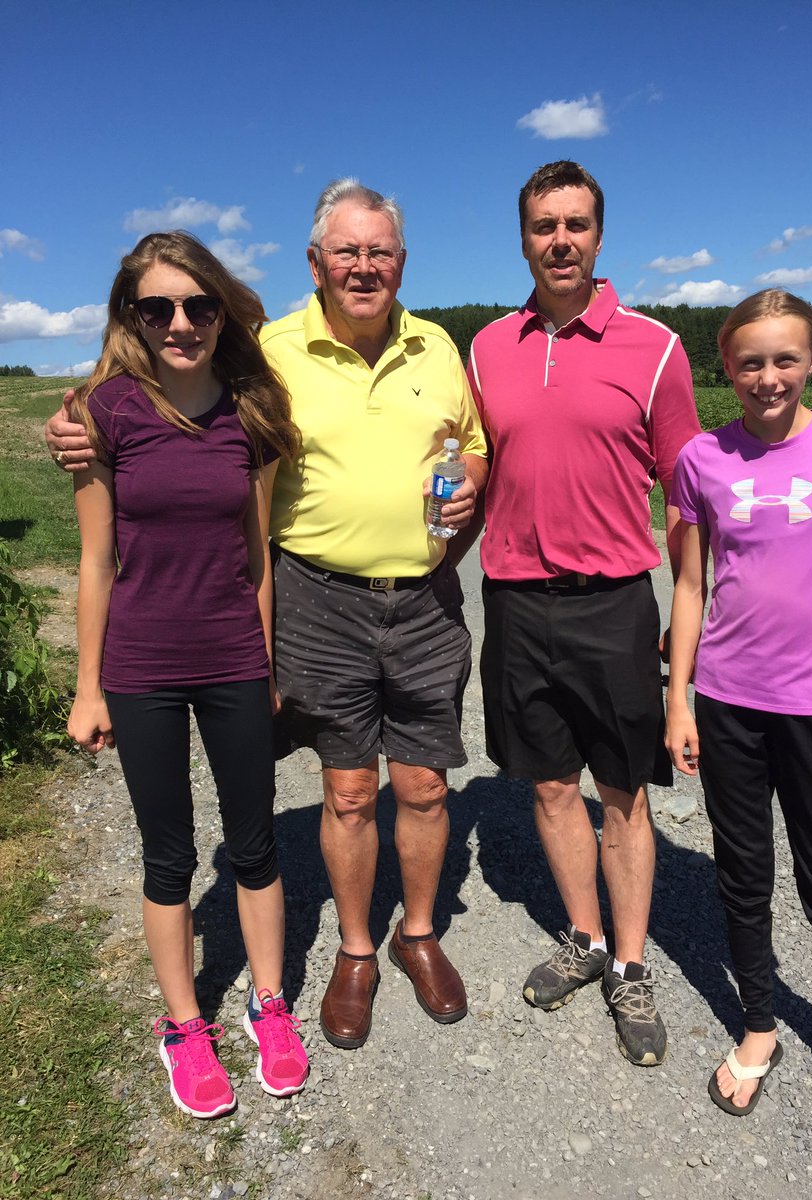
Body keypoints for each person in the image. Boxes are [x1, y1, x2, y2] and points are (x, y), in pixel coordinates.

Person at [48, 180, 488, 1051]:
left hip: (427, 597)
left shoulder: (439, 345)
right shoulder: (270, 351)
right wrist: (78, 426)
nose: (365, 267)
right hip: (317, 595)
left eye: (382, 252)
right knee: (350, 787)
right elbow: (170, 391)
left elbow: (469, 440)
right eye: (348, 252)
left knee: (427, 784)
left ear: (403, 261)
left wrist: (471, 470)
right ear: (316, 263)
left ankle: (421, 933)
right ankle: (355, 950)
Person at [462, 161, 700, 1067]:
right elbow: (469, 466)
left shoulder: (656, 348)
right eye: (542, 226)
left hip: (613, 607)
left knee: (623, 790)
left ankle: (632, 964)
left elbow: (686, 496)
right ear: (522, 238)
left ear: (600, 237)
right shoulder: (487, 349)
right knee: (551, 785)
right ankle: (586, 937)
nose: (559, 241)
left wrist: (688, 611)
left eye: (575, 225)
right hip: (516, 602)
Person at [65, 231, 308, 1119]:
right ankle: (183, 1025)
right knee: (169, 854)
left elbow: (258, 555)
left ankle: (269, 1006)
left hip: (233, 658)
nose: (180, 323)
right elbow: (95, 562)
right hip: (141, 666)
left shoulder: (250, 414)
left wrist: (267, 660)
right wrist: (89, 687)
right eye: (157, 307)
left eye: (198, 305)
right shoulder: (105, 413)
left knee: (256, 840)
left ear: (221, 310)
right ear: (132, 314)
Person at [665, 289, 812, 1158]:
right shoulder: (700, 459)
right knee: (743, 875)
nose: (768, 376)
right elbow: (688, 587)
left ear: (810, 360)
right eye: (750, 361)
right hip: (728, 704)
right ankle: (759, 1023)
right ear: (726, 367)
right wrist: (678, 700)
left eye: (785, 358)